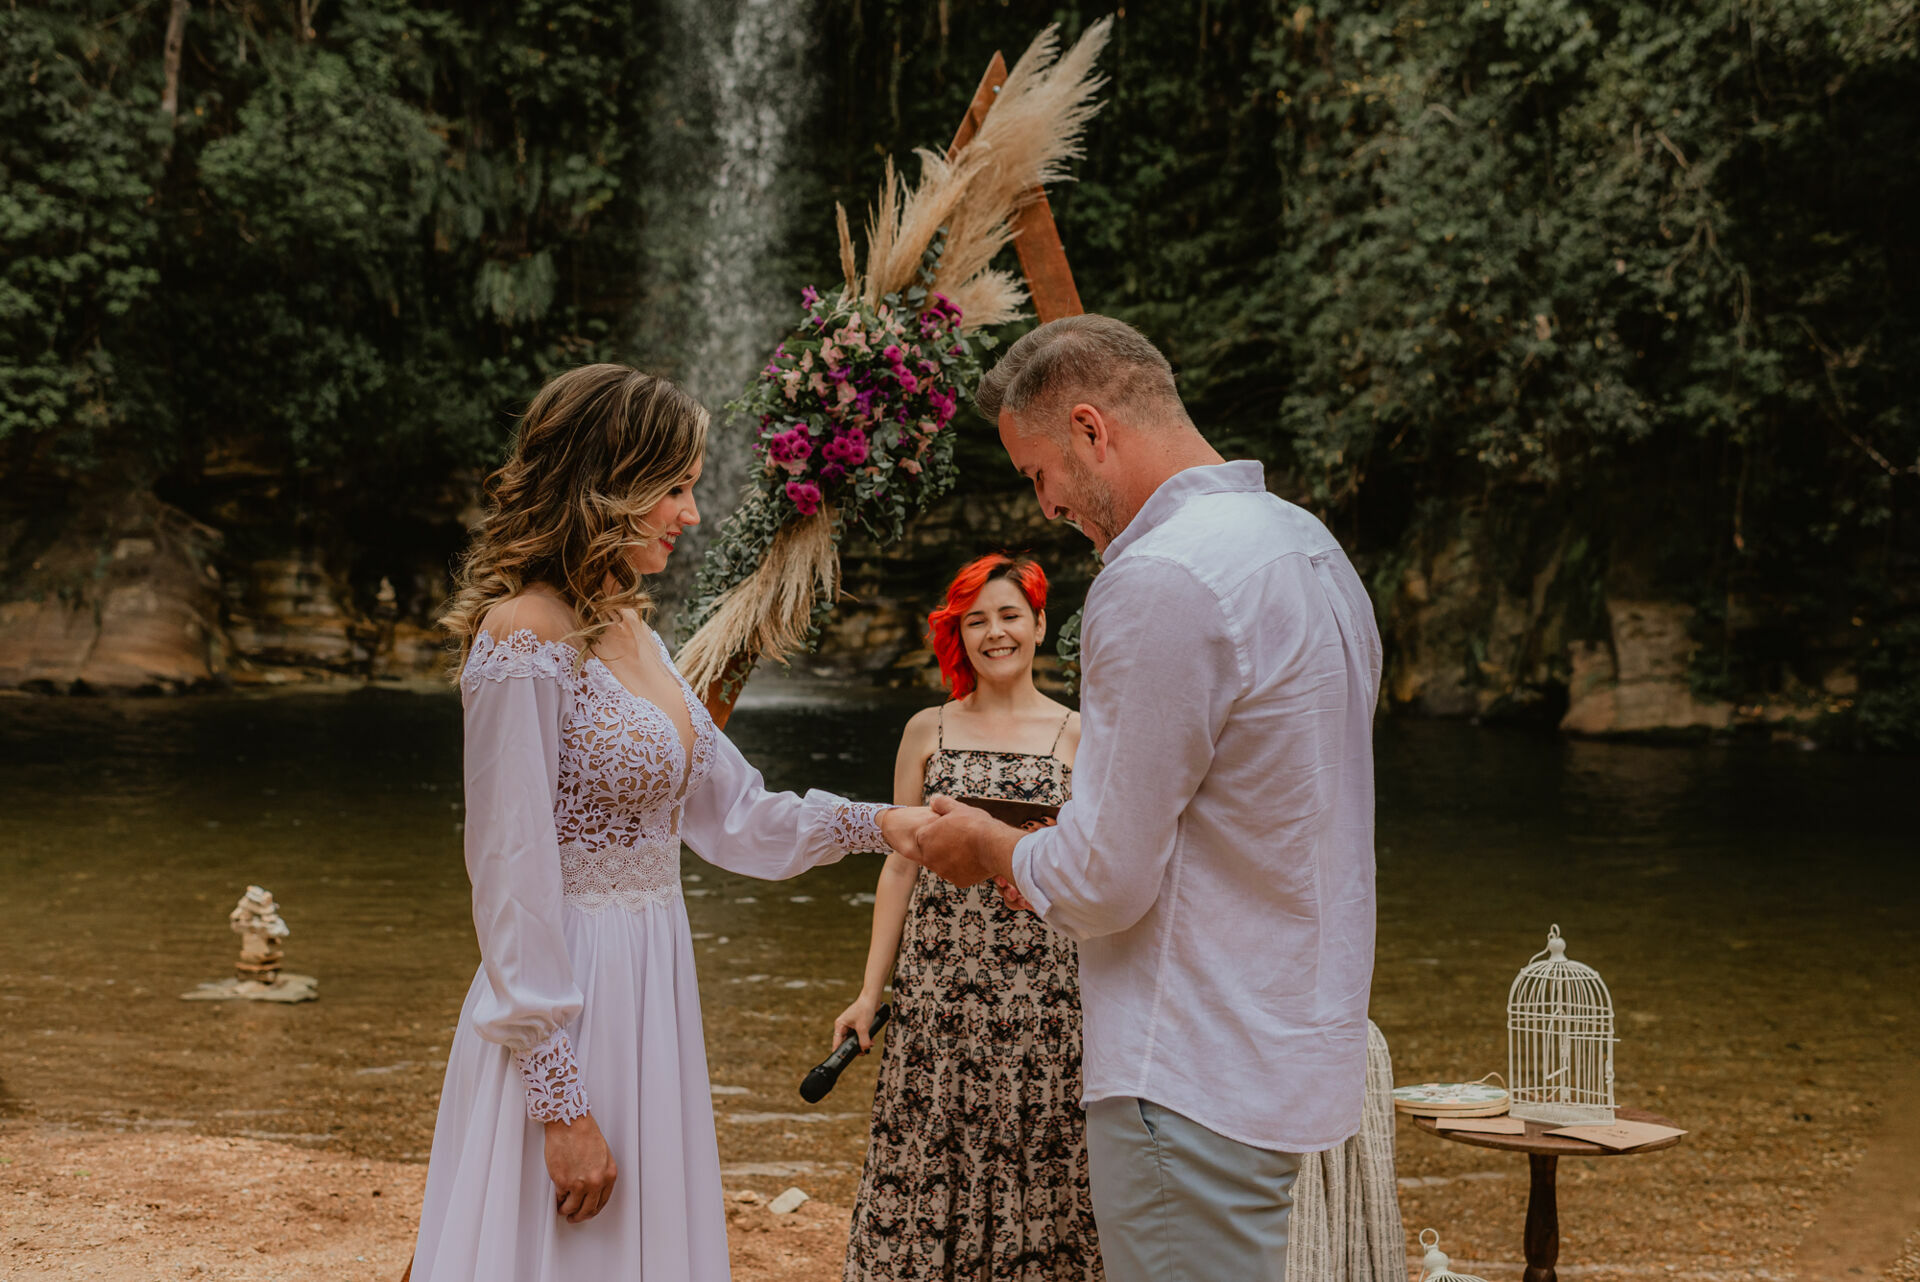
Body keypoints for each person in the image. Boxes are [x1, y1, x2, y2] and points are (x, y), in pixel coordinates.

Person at [411, 364, 926, 1282]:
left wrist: (890, 825)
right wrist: (559, 1104)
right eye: (676, 488)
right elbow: (510, 876)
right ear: (605, 485)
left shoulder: (633, 632)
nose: (691, 514)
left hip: (654, 975)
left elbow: (739, 816)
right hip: (570, 995)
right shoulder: (523, 638)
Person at [895, 315, 1381, 1282]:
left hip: (1189, 1056)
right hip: (1291, 1033)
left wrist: (992, 845)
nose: (1044, 506)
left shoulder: (1157, 579)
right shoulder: (1308, 547)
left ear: (1090, 428)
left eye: (1039, 473)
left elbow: (1106, 883)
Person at [837, 552, 1102, 1282]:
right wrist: (869, 993)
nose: (995, 633)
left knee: (1042, 1144)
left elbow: (1096, 870)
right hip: (937, 989)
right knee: (929, 1143)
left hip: (1049, 993)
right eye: (976, 620)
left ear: (1041, 624)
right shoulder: (930, 728)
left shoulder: (1080, 734)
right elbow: (900, 863)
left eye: (1010, 616)